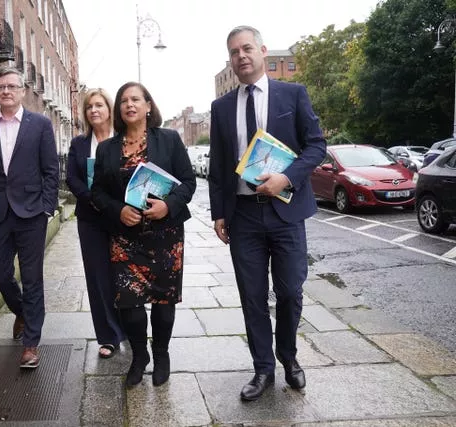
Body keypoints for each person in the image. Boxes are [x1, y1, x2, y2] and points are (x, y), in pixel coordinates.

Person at [208, 26, 326, 401]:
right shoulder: (222, 107)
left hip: (286, 213)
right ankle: (263, 369)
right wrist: (218, 213)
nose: (240, 56)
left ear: (261, 51)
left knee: (290, 291)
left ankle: (288, 357)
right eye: (233, 52)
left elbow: (316, 146)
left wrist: (285, 179)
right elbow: (219, 164)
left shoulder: (293, 94)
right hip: (243, 215)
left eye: (246, 49)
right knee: (252, 296)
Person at [91, 82, 196, 387]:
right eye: (124, 100)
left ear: (149, 105)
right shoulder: (107, 148)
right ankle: (140, 356)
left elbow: (188, 183)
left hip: (165, 234)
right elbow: (97, 191)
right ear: (119, 110)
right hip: (125, 237)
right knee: (130, 305)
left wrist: (169, 205)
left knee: (164, 303)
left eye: (136, 99)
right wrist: (116, 210)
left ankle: (161, 354)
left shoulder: (169, 140)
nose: (129, 104)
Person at [0, 66, 59, 369]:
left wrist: (48, 207)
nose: (6, 91)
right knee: (1, 273)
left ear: (22, 90)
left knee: (32, 278)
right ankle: (22, 311)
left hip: (32, 213)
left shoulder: (40, 125)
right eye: (0, 87)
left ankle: (31, 343)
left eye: (11, 86)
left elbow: (50, 171)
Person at [66, 88, 125, 359]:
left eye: (99, 105)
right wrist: (92, 198)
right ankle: (108, 336)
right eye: (89, 106)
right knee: (98, 278)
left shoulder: (123, 140)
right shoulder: (79, 144)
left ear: (109, 109)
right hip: (90, 218)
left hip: (122, 217)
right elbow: (71, 178)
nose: (94, 110)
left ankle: (130, 329)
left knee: (124, 274)